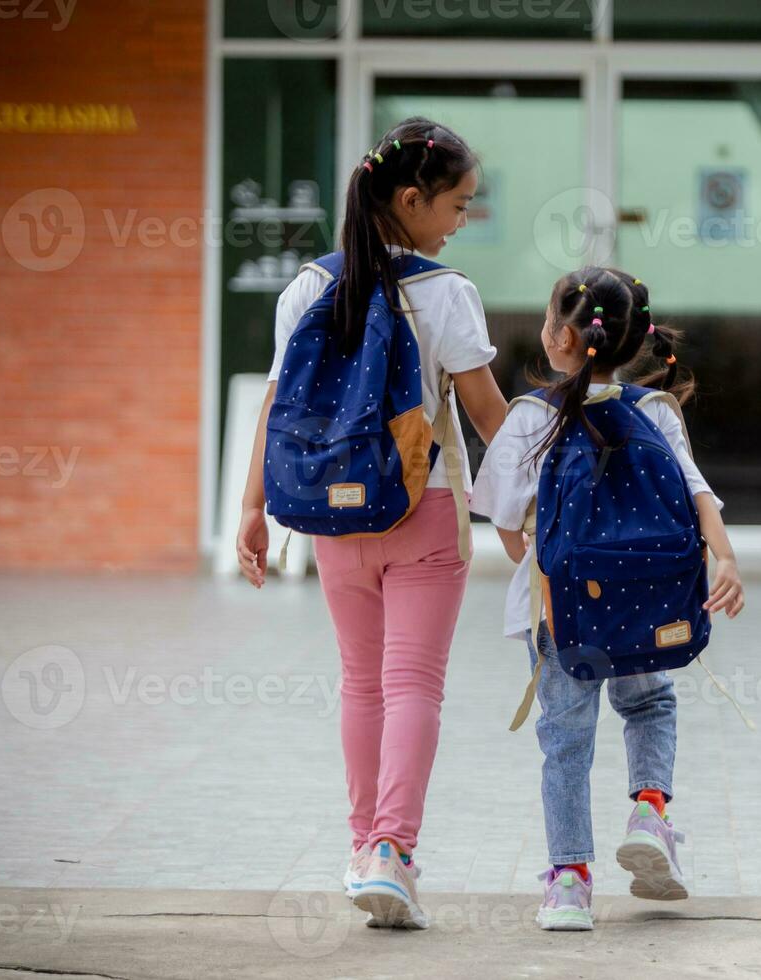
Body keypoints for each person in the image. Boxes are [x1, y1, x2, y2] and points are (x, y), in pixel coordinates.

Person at [235, 117, 508, 929]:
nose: (464, 219)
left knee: (361, 683)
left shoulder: (305, 288)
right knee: (413, 684)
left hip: (327, 517)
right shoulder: (446, 293)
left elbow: (278, 407)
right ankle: (393, 849)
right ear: (413, 200)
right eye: (458, 203)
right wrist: (543, 495)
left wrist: (251, 509)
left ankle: (363, 848)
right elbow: (490, 415)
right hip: (420, 508)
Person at [470, 266, 744, 931]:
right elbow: (699, 493)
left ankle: (569, 883)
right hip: (650, 607)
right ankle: (650, 810)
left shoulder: (531, 417)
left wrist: (547, 551)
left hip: (561, 613)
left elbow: (507, 530)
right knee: (649, 703)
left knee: (565, 741)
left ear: (561, 337)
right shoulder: (655, 410)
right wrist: (726, 557)